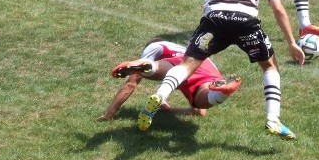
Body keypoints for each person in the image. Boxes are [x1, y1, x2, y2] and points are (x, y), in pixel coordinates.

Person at [138, 0, 305, 140]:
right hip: (246, 23)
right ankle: (273, 119)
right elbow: (278, 9)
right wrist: (291, 42)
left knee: (187, 64)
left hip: (215, 20)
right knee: (270, 66)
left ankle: (160, 94)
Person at [97, 39, 242, 121]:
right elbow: (199, 112)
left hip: (181, 64)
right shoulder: (181, 48)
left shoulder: (155, 46)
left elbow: (131, 83)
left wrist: (110, 113)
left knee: (147, 69)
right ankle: (222, 92)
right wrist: (170, 110)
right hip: (205, 65)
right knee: (200, 104)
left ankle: (145, 66)